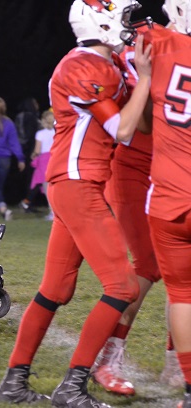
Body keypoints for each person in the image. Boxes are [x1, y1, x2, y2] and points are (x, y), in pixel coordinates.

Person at [0, 1, 152, 406]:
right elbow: (123, 128)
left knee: (56, 290)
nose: (130, 26)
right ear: (100, 20)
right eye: (124, 17)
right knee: (123, 286)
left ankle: (14, 382)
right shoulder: (83, 65)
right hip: (76, 182)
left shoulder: (110, 64)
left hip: (79, 183)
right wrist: (147, 77)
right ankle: (73, 385)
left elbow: (143, 121)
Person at [92, 7, 185, 395]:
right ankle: (108, 355)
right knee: (147, 264)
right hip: (135, 165)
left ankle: (176, 365)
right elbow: (138, 123)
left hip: (174, 168)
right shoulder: (133, 53)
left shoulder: (171, 48)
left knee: (186, 274)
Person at [136, 2, 191, 406]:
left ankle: (188, 388)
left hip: (170, 196)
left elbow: (124, 24)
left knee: (183, 293)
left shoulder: (158, 43)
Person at [20, 109, 55, 219]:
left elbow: (37, 150)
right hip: (54, 159)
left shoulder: (40, 134)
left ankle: (52, 212)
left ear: (43, 121)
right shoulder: (56, 132)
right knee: (55, 186)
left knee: (46, 187)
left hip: (44, 161)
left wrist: (33, 156)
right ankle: (57, 211)